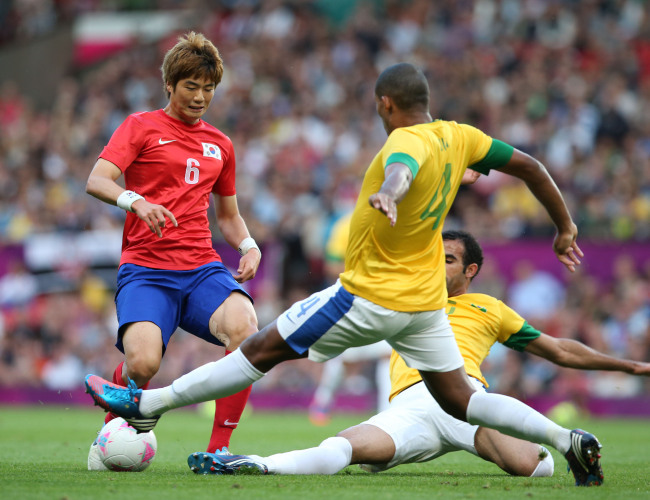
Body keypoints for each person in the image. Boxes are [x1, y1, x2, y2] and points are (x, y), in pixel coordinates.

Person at [85, 62, 602, 486]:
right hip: (424, 308)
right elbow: (531, 165)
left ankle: (147, 403)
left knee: (260, 347)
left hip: (367, 295)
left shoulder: (405, 141)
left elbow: (400, 168)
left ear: (385, 104)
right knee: (465, 399)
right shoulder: (460, 137)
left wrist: (389, 193)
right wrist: (565, 226)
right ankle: (566, 440)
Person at [187, 230, 650, 479]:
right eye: (434, 257)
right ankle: (255, 464)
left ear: (470, 270)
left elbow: (559, 350)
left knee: (535, 470)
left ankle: (560, 446)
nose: (437, 265)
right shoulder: (404, 298)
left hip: (464, 399)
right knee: (345, 449)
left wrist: (626, 364)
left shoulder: (491, 308)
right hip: (408, 409)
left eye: (448, 260)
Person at [84, 32, 261, 470]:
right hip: (146, 270)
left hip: (201, 268)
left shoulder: (221, 144)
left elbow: (229, 216)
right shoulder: (139, 126)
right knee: (144, 363)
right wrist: (137, 202)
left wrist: (248, 244)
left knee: (245, 328)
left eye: (208, 88)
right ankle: (114, 423)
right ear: (170, 84)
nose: (200, 97)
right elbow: (98, 179)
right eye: (191, 87)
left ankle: (219, 450)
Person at [309, 212, 392, 425]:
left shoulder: (396, 223)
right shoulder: (346, 225)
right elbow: (332, 265)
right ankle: (323, 401)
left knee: (387, 353)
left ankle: (386, 412)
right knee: (344, 355)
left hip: (385, 298)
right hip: (352, 297)